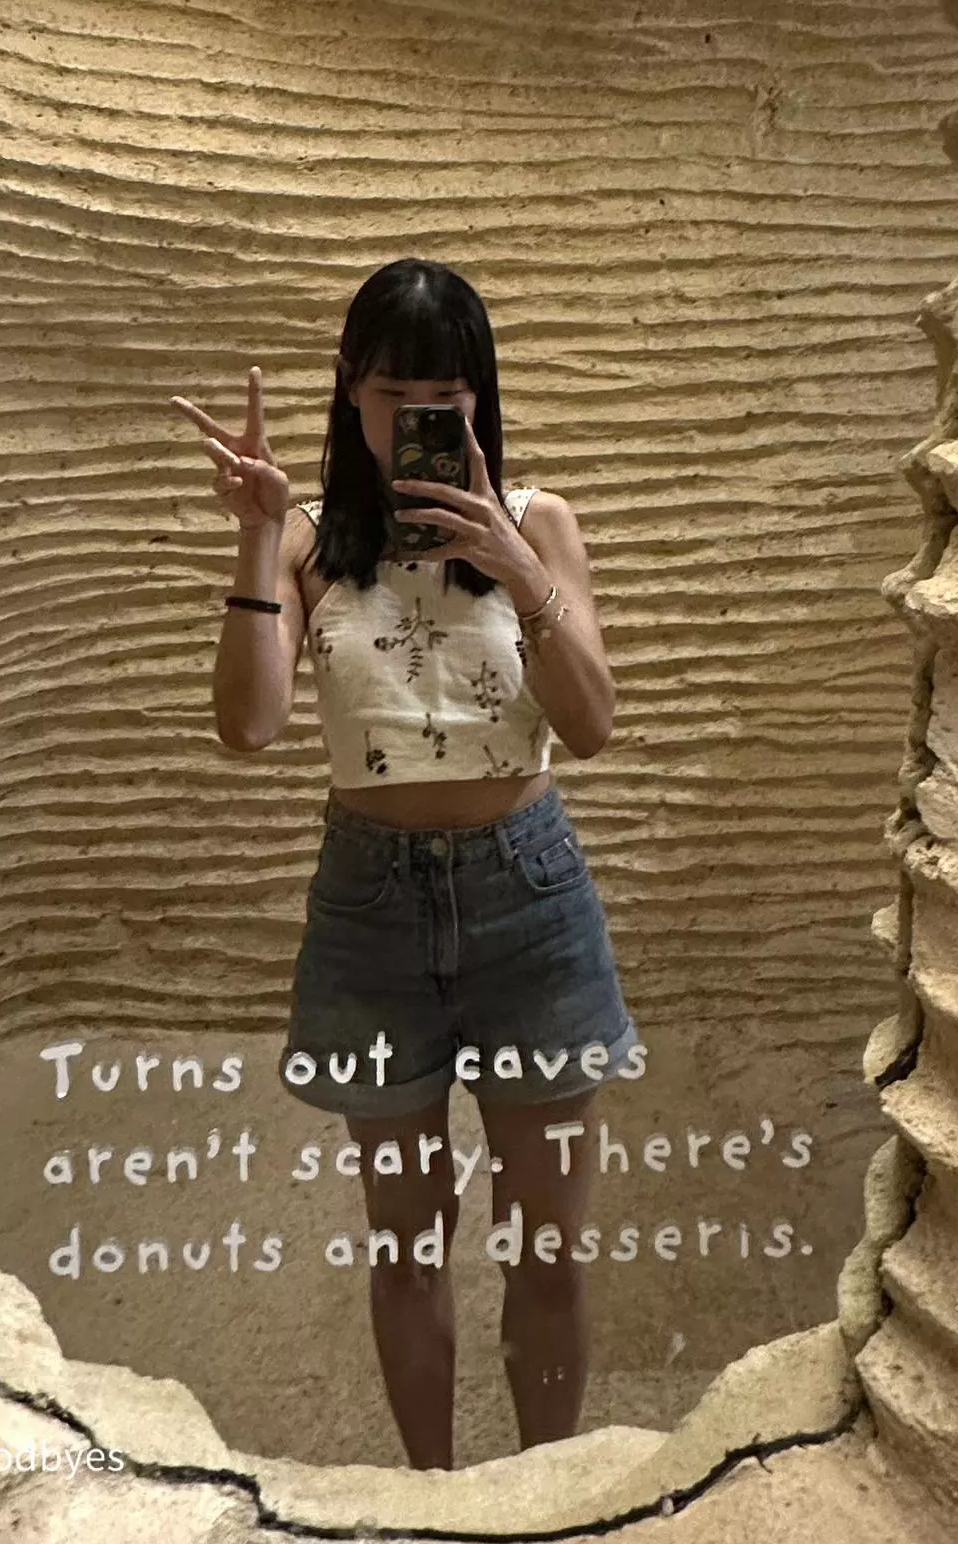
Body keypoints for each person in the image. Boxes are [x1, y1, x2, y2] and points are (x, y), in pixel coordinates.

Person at [170, 257, 640, 1470]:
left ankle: (541, 1495)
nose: (421, 418)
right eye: (395, 393)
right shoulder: (306, 540)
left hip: (529, 898)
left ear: (483, 396)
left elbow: (590, 724)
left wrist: (520, 569)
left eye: (449, 395)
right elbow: (249, 725)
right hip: (371, 911)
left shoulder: (540, 522)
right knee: (407, 1242)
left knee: (546, 1245)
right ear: (349, 387)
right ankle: (432, 1494)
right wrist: (256, 535)